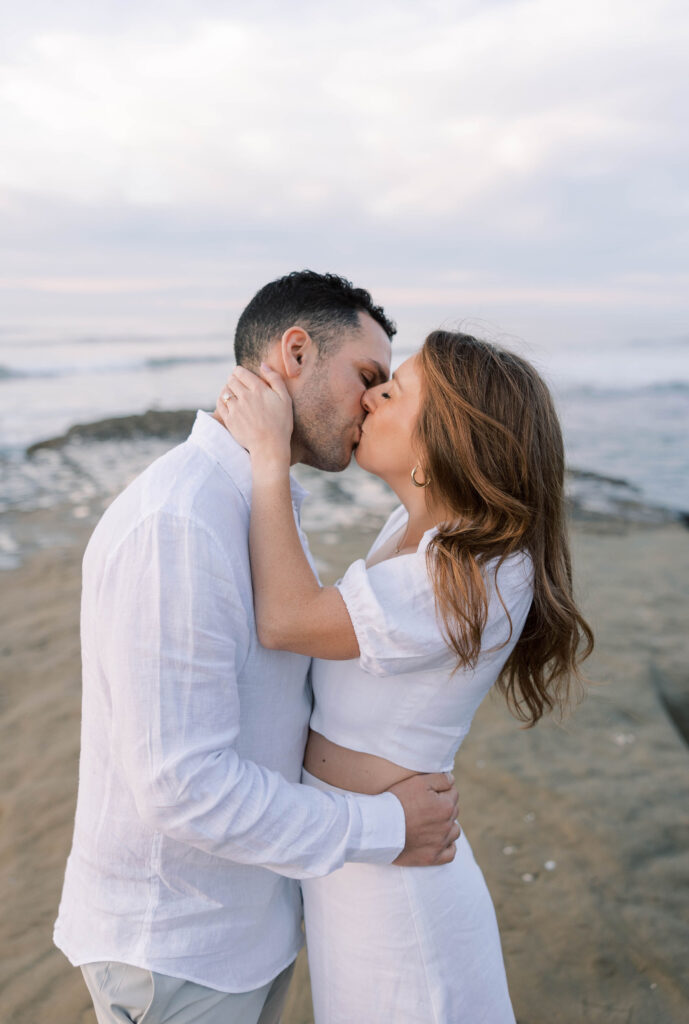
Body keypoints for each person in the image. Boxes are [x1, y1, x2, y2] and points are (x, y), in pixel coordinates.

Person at [53, 272, 460, 1024]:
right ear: (295, 353)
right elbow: (183, 784)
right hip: (176, 948)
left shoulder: (255, 498)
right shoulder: (181, 519)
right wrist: (385, 828)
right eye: (367, 378)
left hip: (243, 927)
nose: (374, 401)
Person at [216, 329, 594, 1024]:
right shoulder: (414, 532)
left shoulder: (470, 572)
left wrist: (270, 461)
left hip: (399, 898)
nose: (371, 395)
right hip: (360, 851)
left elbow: (289, 620)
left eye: (396, 390)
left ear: (445, 441)